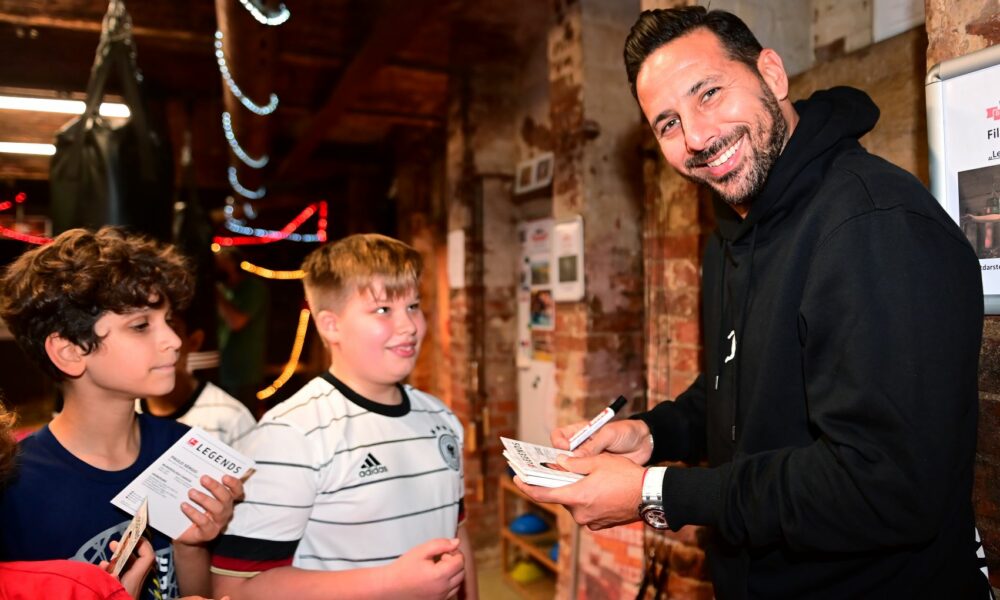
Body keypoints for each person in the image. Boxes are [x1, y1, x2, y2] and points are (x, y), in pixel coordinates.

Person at [514, 7, 992, 599]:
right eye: (667, 123)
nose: (697, 137)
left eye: (709, 92)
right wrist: (655, 434)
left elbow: (886, 486)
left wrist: (655, 492)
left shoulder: (874, 226)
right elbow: (746, 386)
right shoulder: (730, 238)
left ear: (772, 73)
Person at [211, 233, 476, 599]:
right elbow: (235, 588)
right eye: (383, 310)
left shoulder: (441, 418)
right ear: (330, 324)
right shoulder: (290, 434)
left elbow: (458, 537)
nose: (409, 326)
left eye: (413, 306)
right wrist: (391, 583)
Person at [0, 227, 244, 599]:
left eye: (168, 320)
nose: (174, 341)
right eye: (141, 326)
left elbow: (191, 592)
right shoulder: (16, 484)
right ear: (70, 352)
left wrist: (191, 543)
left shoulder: (180, 450)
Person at [137, 305, 257, 446]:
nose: (159, 345)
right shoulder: (123, 411)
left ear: (194, 342)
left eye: (171, 329)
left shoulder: (231, 416)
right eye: (141, 330)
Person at [214, 248, 269, 415]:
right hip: (224, 368)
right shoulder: (225, 289)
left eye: (219, 261)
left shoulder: (253, 288)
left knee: (243, 422)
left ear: (232, 263)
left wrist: (216, 295)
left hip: (244, 371)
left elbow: (236, 322)